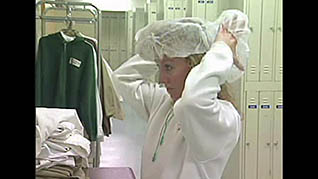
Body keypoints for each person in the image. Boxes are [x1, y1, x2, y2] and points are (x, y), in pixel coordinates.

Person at [111, 9, 250, 179]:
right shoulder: (163, 101)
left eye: (168, 68)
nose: (161, 79)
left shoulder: (222, 117)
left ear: (195, 65)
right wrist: (163, 46)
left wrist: (221, 49)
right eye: (159, 67)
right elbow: (122, 78)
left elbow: (192, 102)